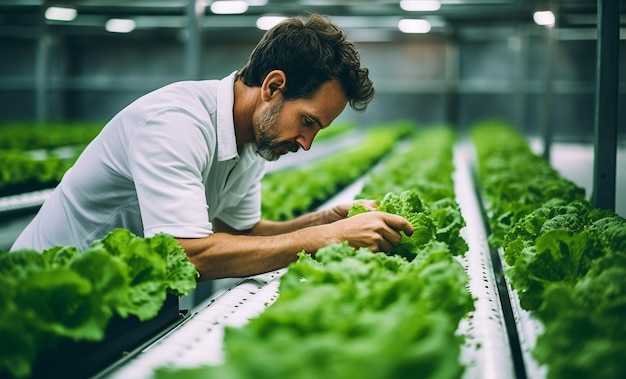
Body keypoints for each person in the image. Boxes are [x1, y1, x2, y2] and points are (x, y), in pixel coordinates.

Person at [11, 13, 413, 280]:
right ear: (273, 87)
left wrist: (325, 221)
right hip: (40, 288)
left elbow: (241, 232)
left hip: (110, 287)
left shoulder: (254, 141)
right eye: (307, 121)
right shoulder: (176, 123)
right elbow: (187, 254)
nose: (307, 143)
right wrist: (332, 238)